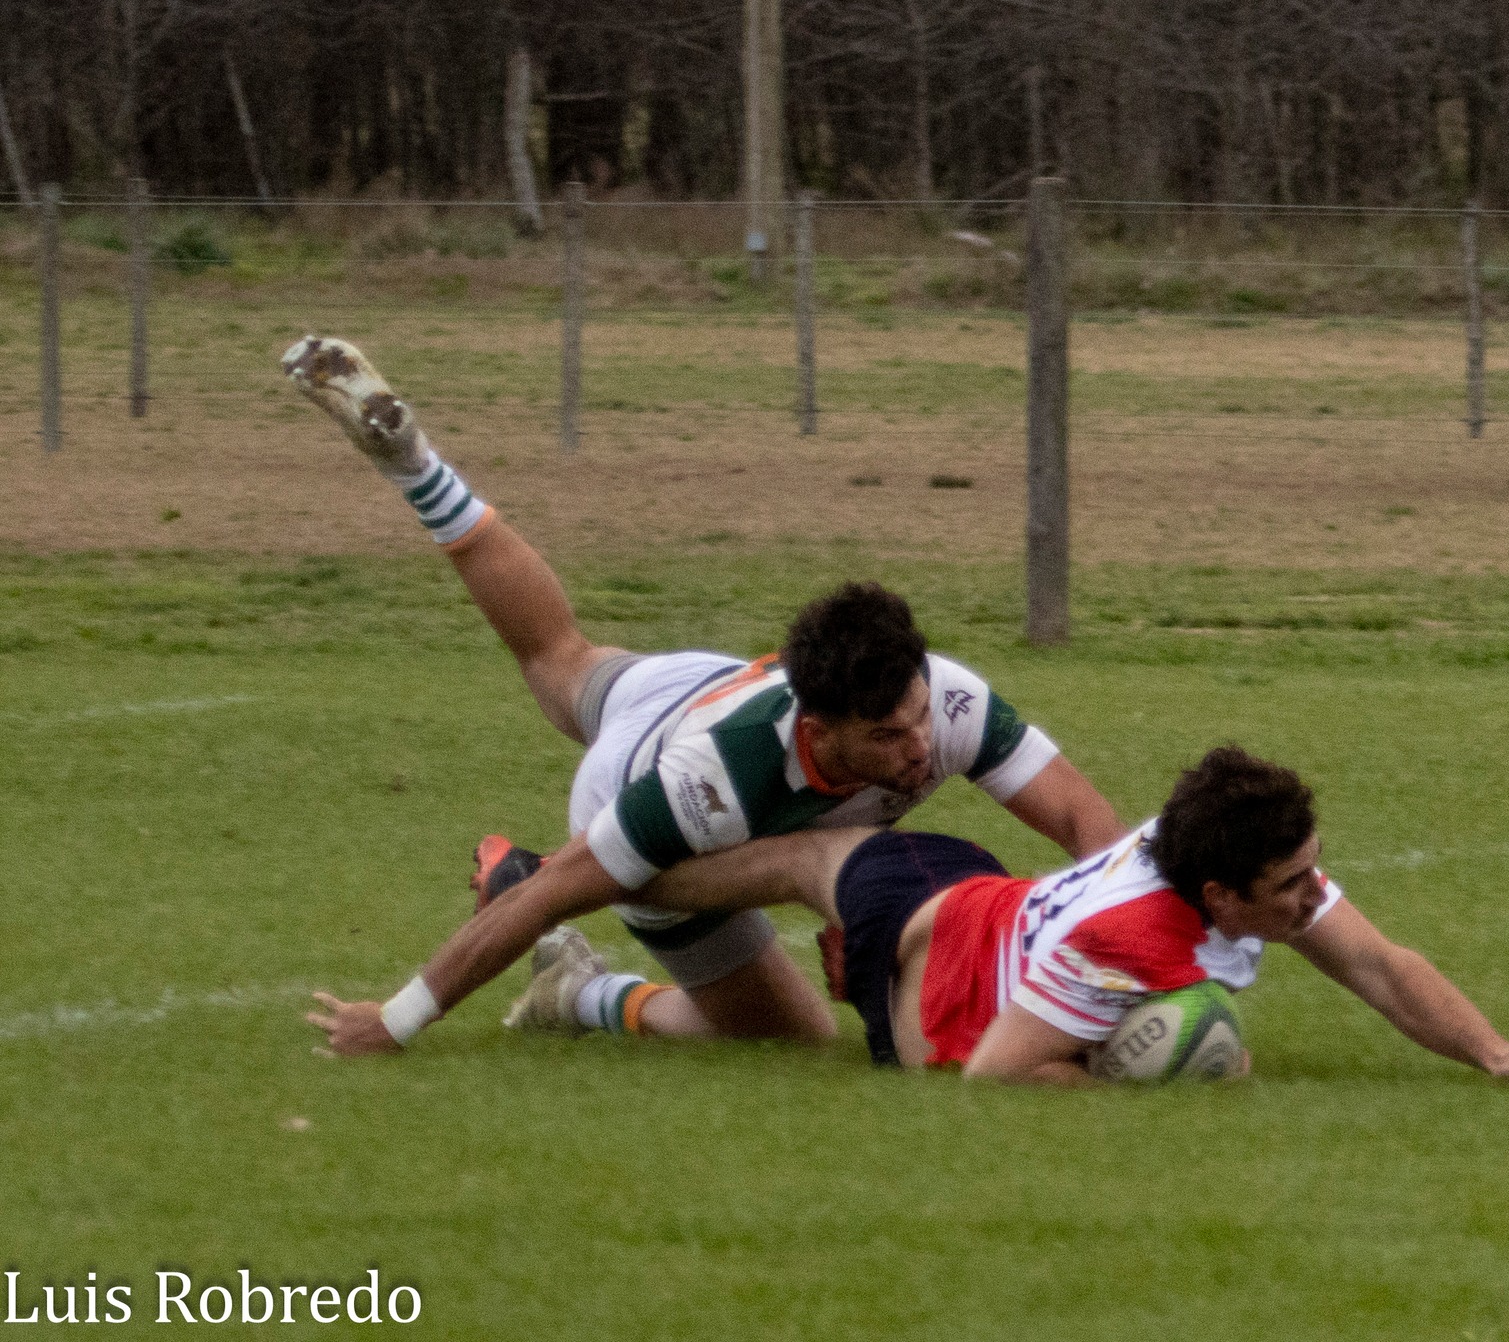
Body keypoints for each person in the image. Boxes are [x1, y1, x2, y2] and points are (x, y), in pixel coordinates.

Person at [282, 335, 1124, 1050]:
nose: (920, 748)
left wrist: (1119, 954)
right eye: (889, 739)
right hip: (640, 783)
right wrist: (392, 1021)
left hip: (697, 686)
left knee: (558, 651)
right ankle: (576, 990)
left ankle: (418, 469)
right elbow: (552, 899)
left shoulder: (942, 701)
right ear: (824, 730)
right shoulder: (710, 787)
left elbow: (1089, 824)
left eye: (917, 718)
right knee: (787, 1031)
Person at [314, 742, 1509, 1089]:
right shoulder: (1134, 944)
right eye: (1292, 886)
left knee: (766, 1026)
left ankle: (572, 983)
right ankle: (546, 879)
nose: (1314, 896)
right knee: (786, 866)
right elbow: (996, 1074)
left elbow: (1385, 968)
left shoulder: (1236, 860)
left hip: (972, 893)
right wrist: (1132, 1074)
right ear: (1218, 895)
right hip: (912, 945)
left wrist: (1499, 1049)